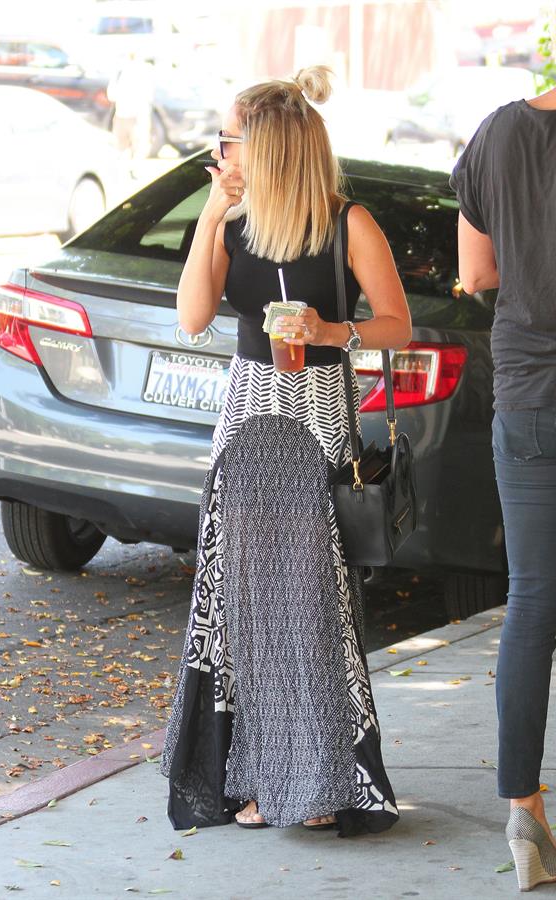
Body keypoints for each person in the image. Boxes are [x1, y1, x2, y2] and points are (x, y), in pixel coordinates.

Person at [160, 65, 411, 837]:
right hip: (246, 421)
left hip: (314, 423)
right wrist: (210, 213)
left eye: (231, 139)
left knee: (310, 606)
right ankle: (254, 777)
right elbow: (193, 318)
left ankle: (323, 778)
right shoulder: (232, 221)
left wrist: (337, 332)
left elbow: (398, 322)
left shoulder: (348, 222)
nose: (221, 151)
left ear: (271, 147)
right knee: (242, 606)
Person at [450, 0, 556, 890]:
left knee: (533, 604)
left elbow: (475, 274)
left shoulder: (494, 134)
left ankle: (523, 813)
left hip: (529, 395)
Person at [107, 52, 154, 168]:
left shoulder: (142, 71)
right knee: (127, 149)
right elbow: (111, 95)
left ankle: (133, 170)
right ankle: (130, 170)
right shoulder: (121, 72)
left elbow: (148, 95)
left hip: (134, 116)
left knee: (135, 149)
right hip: (124, 116)